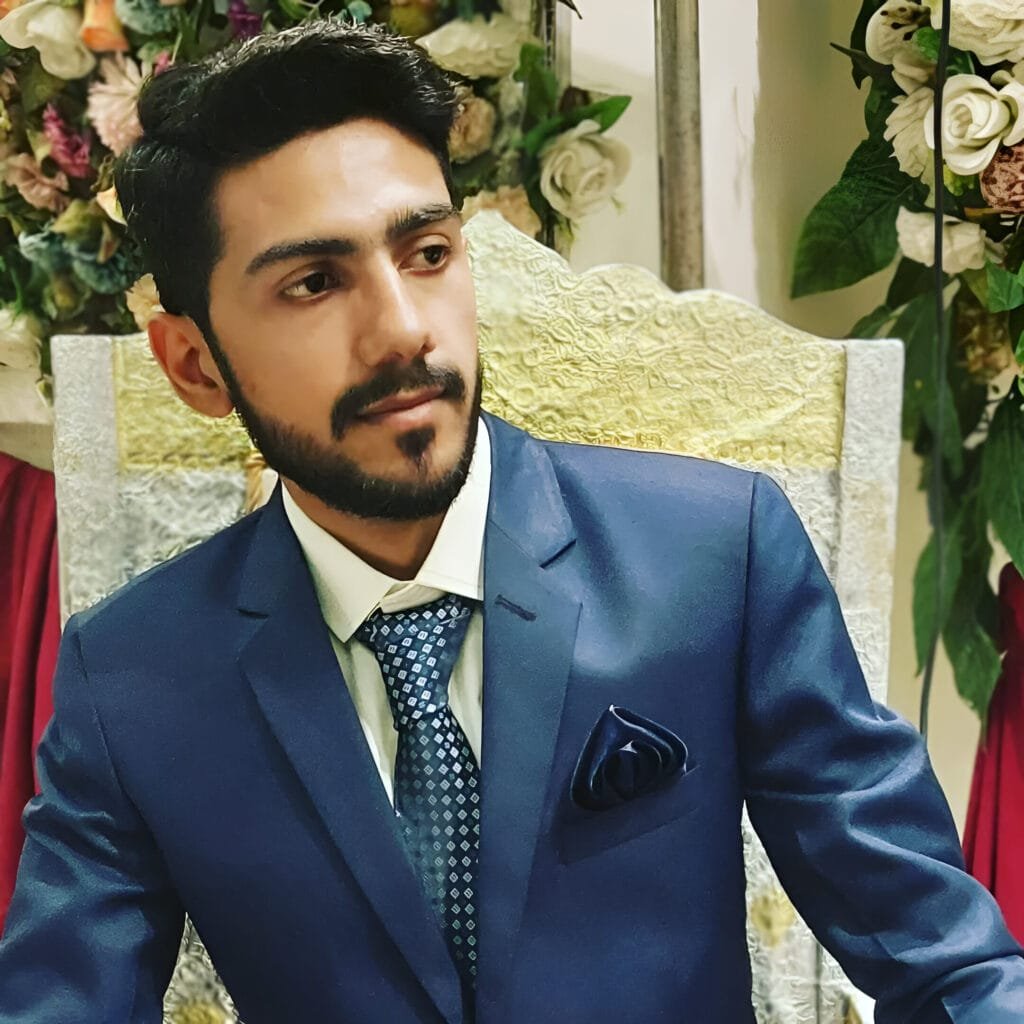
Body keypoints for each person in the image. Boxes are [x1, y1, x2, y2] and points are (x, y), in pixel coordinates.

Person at [0, 20, 1021, 1024]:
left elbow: (946, 963)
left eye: (428, 252)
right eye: (313, 283)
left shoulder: (717, 553)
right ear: (194, 365)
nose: (404, 330)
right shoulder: (131, 677)